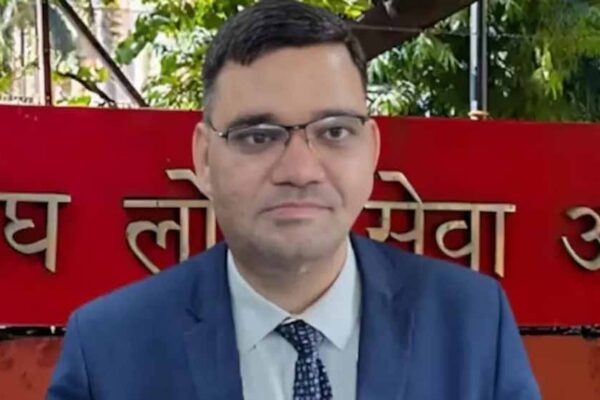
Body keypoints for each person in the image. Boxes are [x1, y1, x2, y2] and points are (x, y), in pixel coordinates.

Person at [47, 1, 541, 399]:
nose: (300, 171)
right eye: (258, 137)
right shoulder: (107, 352)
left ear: (372, 150)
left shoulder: (473, 325)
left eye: (334, 131)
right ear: (204, 158)